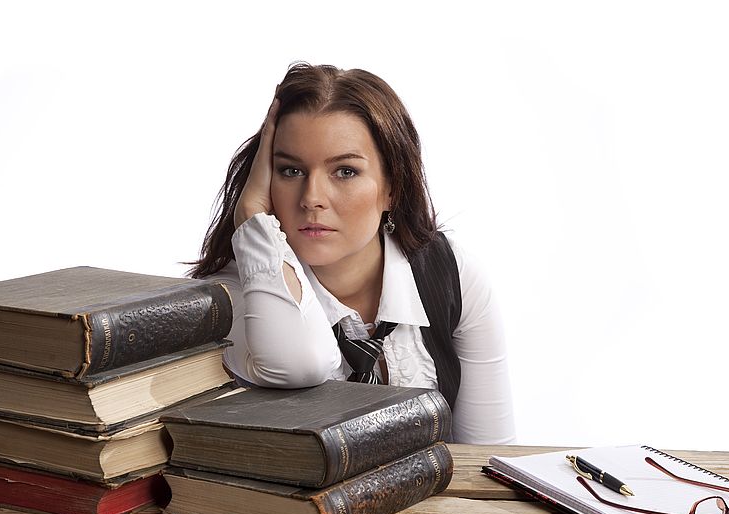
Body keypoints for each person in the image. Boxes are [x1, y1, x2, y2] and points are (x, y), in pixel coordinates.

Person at [190, 63, 515, 444]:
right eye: (290, 171)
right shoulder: (232, 296)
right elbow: (300, 364)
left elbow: (489, 458)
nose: (312, 198)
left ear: (392, 187)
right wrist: (251, 218)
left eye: (344, 172)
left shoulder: (453, 276)